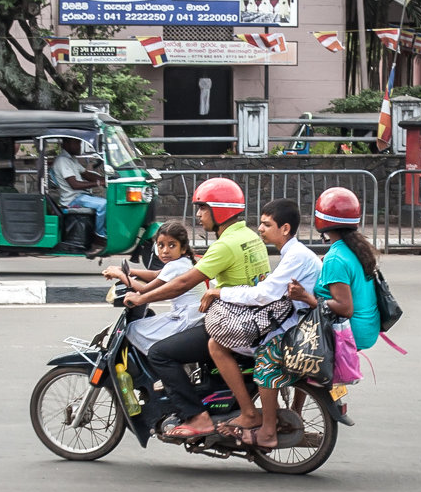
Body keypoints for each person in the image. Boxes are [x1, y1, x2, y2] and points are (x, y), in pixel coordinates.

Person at [122, 177, 270, 439]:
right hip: (251, 317)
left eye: (203, 209)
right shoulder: (249, 236)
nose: (199, 215)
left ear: (219, 210)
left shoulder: (224, 245)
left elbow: (182, 283)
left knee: (160, 353)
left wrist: (142, 299)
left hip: (232, 322)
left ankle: (197, 417)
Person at [200, 197, 322, 449]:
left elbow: (264, 294)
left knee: (217, 345)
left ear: (285, 228)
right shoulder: (296, 253)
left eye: (266, 224)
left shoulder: (296, 256)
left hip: (292, 328)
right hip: (298, 321)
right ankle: (285, 415)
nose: (261, 229)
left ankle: (258, 422)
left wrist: (219, 293)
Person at [288, 187, 380, 351]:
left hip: (350, 332)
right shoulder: (356, 248)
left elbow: (344, 307)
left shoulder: (336, 258)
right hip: (368, 327)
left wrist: (305, 297)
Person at [101, 221, 205, 355]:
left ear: (183, 248)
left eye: (172, 245)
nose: (165, 250)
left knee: (134, 329)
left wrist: (120, 275)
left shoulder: (176, 266)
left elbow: (144, 290)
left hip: (186, 319)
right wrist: (126, 271)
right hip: (192, 316)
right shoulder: (183, 261)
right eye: (161, 245)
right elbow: (156, 275)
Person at [52, 137, 107, 245]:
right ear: (66, 143)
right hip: (73, 199)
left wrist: (104, 179)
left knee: (106, 201)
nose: (80, 146)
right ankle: (99, 236)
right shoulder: (62, 160)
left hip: (80, 196)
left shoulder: (71, 159)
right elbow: (74, 185)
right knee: (103, 204)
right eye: (77, 142)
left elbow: (86, 174)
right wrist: (98, 183)